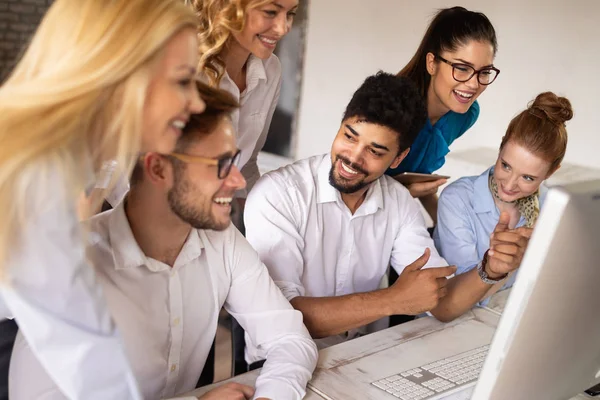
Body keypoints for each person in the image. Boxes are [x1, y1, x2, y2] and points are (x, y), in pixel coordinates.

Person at [9, 82, 318, 400]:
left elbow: (291, 339)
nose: (238, 181)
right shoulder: (72, 259)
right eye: (222, 165)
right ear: (158, 168)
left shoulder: (222, 243)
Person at [0, 0, 205, 398]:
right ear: (121, 74)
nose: (196, 103)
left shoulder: (78, 160)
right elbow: (90, 359)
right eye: (182, 80)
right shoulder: (35, 175)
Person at [244, 72, 477, 354]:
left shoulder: (399, 202)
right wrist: (394, 299)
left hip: (360, 356)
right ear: (341, 125)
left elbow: (438, 299)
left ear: (399, 158)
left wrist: (491, 269)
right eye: (349, 136)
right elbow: (282, 318)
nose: (353, 158)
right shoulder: (278, 194)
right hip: (278, 360)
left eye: (375, 151)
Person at [433, 92, 572, 309]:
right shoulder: (458, 199)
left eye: (528, 177)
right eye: (505, 165)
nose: (509, 185)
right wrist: (509, 265)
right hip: (447, 323)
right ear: (500, 147)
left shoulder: (551, 207)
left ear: (552, 172)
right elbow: (460, 296)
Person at [387, 6, 500, 223]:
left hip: (397, 218)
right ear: (432, 63)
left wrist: (451, 234)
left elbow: (418, 178)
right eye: (462, 68)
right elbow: (354, 185)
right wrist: (406, 192)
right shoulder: (391, 106)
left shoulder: (464, 115)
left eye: (484, 72)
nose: (473, 84)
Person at [192, 0, 299, 197]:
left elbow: (246, 165)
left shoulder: (271, 69)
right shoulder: (186, 67)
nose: (283, 28)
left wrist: (249, 222)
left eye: (290, 14)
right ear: (228, 6)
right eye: (270, 12)